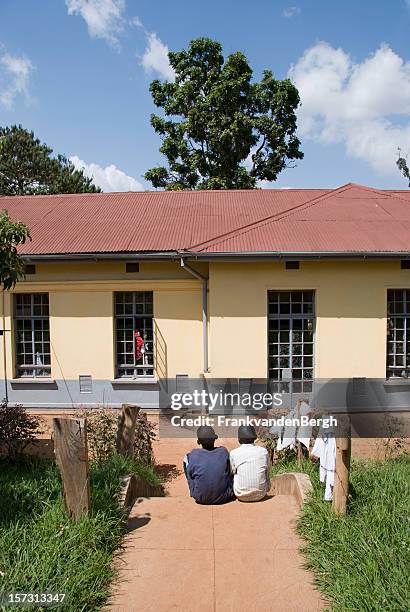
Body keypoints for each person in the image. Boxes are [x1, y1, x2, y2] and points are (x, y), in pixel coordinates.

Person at [183, 426, 234, 505]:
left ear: (199, 442)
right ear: (214, 439)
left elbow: (190, 473)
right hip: (224, 496)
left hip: (200, 497)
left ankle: (193, 490)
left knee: (186, 460)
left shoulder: (193, 455)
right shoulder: (223, 451)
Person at [230, 425, 271, 502]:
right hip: (261, 495)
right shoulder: (263, 451)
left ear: (239, 439)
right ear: (254, 437)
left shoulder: (234, 453)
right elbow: (267, 472)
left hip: (241, 495)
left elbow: (232, 472)